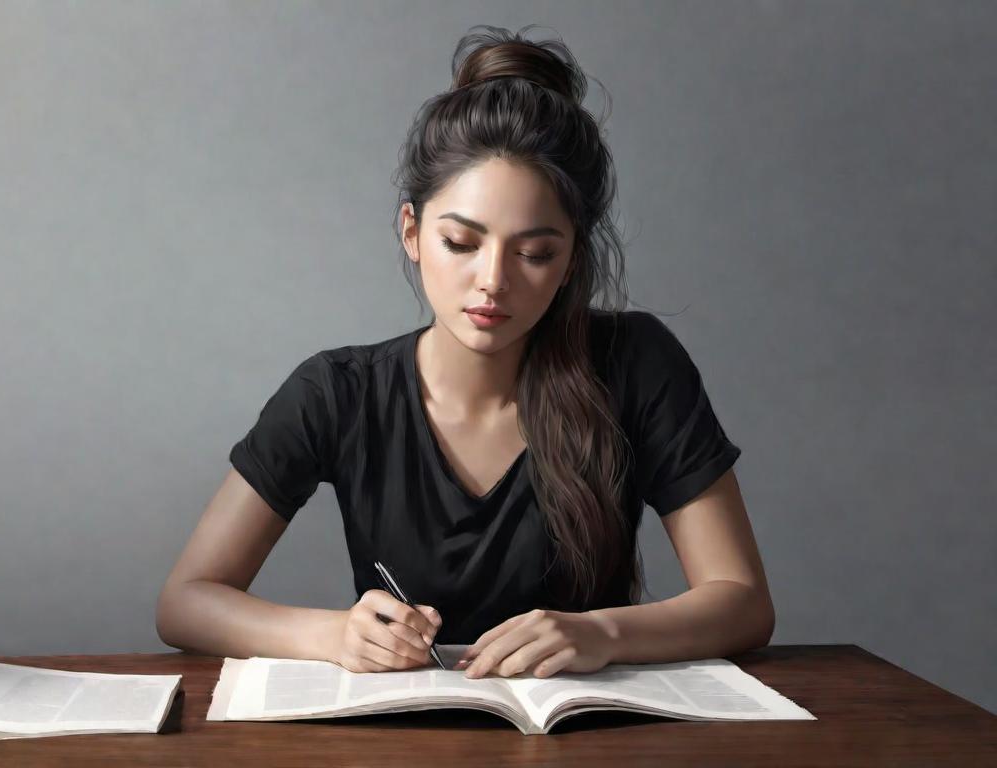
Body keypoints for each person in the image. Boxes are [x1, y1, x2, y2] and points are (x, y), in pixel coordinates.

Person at [156, 24, 774, 680]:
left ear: (570, 263)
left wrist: (602, 632)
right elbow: (185, 604)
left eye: (536, 253)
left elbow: (743, 603)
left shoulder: (637, 364)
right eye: (461, 243)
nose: (493, 281)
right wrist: (336, 634)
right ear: (413, 232)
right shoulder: (338, 392)